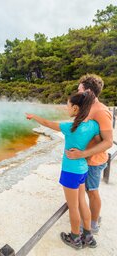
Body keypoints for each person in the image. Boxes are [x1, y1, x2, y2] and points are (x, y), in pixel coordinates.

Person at [26, 91, 98, 250]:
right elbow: (98, 142)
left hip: (70, 171)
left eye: (68, 106)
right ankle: (88, 235)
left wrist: (34, 116)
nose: (66, 108)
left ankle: (74, 238)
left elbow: (46, 123)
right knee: (82, 203)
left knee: (73, 207)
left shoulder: (70, 127)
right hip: (83, 169)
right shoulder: (93, 125)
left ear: (76, 108)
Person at [65, 74, 113, 233]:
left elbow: (108, 141)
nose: (77, 91)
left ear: (88, 92)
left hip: (94, 160)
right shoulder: (87, 107)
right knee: (85, 191)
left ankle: (93, 224)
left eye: (79, 89)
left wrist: (83, 153)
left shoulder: (100, 111)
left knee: (92, 192)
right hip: (84, 160)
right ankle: (88, 219)